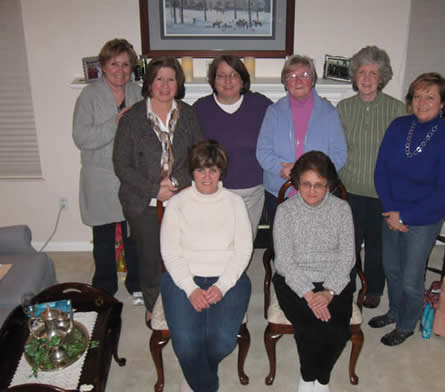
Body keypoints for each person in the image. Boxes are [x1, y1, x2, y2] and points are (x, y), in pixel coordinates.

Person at [371, 72, 445, 346]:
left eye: (430, 97)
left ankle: (407, 324)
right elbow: (381, 171)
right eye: (417, 96)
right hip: (391, 212)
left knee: (411, 278)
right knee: (392, 269)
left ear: (443, 104)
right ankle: (395, 311)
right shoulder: (398, 126)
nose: (422, 102)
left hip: (423, 219)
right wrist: (390, 210)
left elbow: (442, 192)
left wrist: (406, 216)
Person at [113, 56, 202, 325]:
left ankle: (185, 294)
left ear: (178, 83)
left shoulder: (189, 114)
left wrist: (174, 184)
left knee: (184, 251)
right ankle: (153, 303)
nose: (164, 85)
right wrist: (155, 190)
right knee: (151, 255)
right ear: (149, 83)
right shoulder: (132, 118)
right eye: (158, 79)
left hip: (182, 195)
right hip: (142, 200)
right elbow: (121, 164)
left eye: (171, 79)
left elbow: (199, 157)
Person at [160, 140, 252, 392]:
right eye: (201, 170)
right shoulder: (178, 203)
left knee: (222, 342)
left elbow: (243, 251)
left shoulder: (235, 203)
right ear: (192, 172)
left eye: (212, 169)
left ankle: (193, 374)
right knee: (187, 343)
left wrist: (222, 286)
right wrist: (190, 288)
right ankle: (203, 383)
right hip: (183, 278)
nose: (207, 176)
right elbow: (170, 252)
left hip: (228, 278)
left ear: (221, 171)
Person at [272, 151, 355, 392]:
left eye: (319, 185)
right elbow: (284, 261)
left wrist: (328, 291)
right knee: (310, 330)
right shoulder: (286, 212)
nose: (311, 190)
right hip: (294, 280)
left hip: (334, 280)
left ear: (328, 185)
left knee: (338, 332)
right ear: (297, 183)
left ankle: (322, 378)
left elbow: (347, 256)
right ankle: (309, 378)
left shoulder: (342, 210)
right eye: (306, 184)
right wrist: (309, 295)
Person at [337, 46, 406, 309]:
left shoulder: (397, 109)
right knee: (348, 244)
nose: (366, 78)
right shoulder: (343, 108)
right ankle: (347, 285)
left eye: (373, 73)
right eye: (362, 72)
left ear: (382, 77)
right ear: (355, 76)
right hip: (349, 190)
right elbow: (336, 149)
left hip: (383, 193)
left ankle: (375, 288)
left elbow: (402, 156)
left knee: (378, 247)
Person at [72, 38, 141, 297]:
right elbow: (82, 138)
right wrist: (116, 123)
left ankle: (136, 285)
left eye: (125, 64)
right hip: (100, 178)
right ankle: (103, 288)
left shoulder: (137, 91)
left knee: (133, 236)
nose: (120, 70)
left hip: (131, 177)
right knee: (103, 239)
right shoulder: (89, 95)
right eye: (114, 64)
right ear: (103, 65)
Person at [256, 55, 347, 231]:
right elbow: (262, 151)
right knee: (282, 246)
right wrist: (281, 169)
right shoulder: (273, 112)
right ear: (285, 82)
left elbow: (339, 153)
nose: (298, 80)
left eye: (304, 74)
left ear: (312, 79)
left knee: (314, 245)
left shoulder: (329, 113)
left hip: (317, 192)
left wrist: (315, 175)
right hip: (280, 191)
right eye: (291, 76)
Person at [193, 55, 272, 237]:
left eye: (234, 75)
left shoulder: (260, 104)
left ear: (243, 80)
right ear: (213, 80)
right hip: (214, 191)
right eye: (221, 75)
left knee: (244, 244)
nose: (227, 81)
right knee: (216, 242)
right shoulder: (200, 108)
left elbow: (284, 127)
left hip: (252, 193)